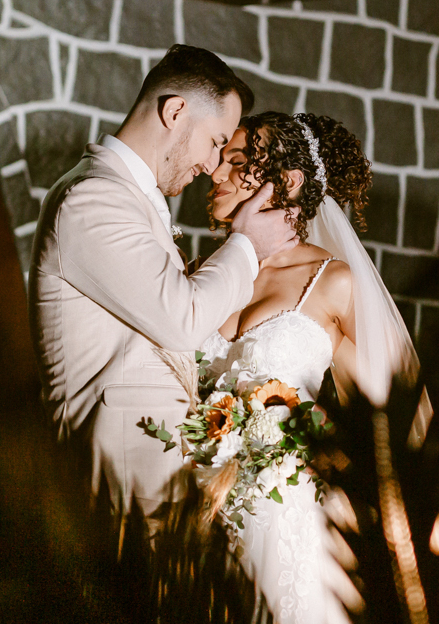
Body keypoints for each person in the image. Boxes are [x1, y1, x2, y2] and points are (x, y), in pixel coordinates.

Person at [29, 45, 298, 549]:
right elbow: (182, 318)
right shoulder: (92, 199)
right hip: (117, 485)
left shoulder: (126, 198)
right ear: (175, 112)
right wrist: (247, 245)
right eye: (215, 141)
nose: (214, 164)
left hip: (155, 485)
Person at [200, 111, 418, 624]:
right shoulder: (205, 275)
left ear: (289, 183)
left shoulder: (333, 282)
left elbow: (385, 418)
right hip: (197, 507)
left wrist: (294, 426)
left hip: (285, 516)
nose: (215, 172)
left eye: (237, 163)